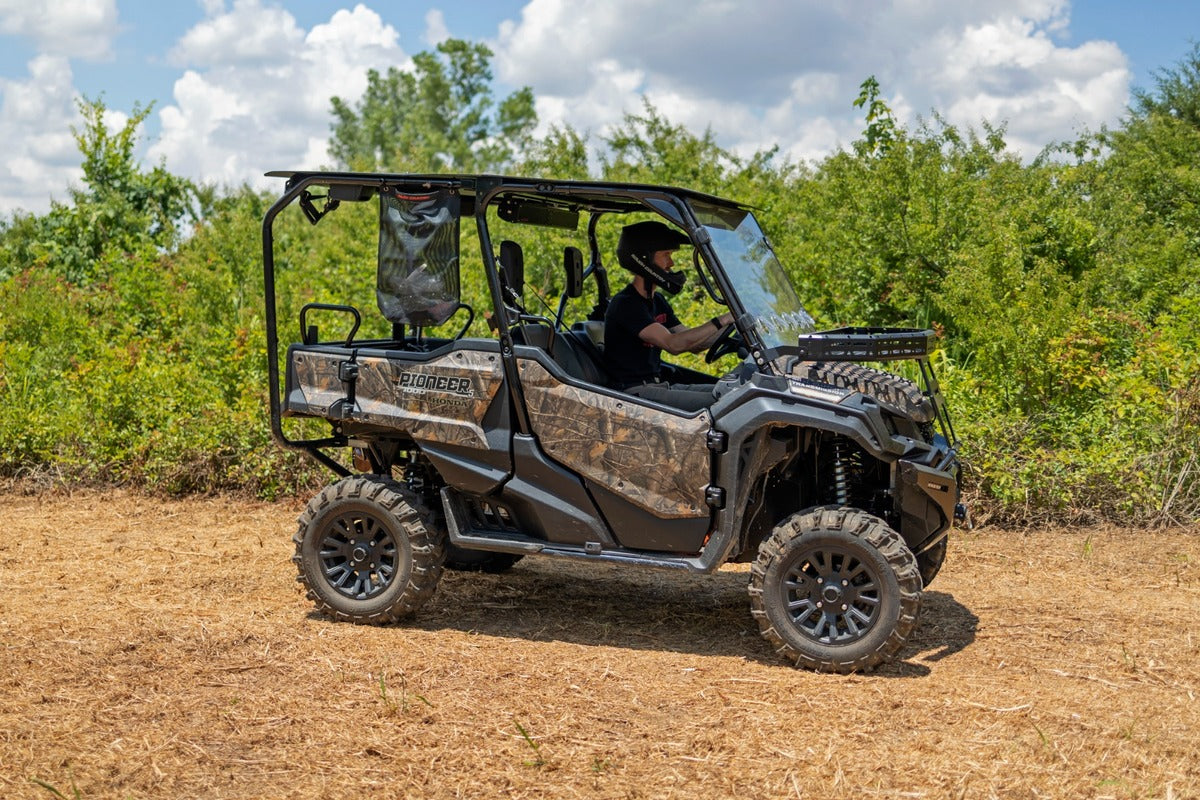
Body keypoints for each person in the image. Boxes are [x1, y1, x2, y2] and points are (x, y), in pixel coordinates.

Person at [603, 220, 734, 412]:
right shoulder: (626, 304)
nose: (671, 263)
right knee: (727, 404)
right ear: (644, 258)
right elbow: (674, 344)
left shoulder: (657, 302)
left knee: (736, 392)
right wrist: (722, 320)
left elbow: (694, 344)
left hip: (659, 386)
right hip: (633, 394)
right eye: (666, 255)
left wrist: (733, 329)